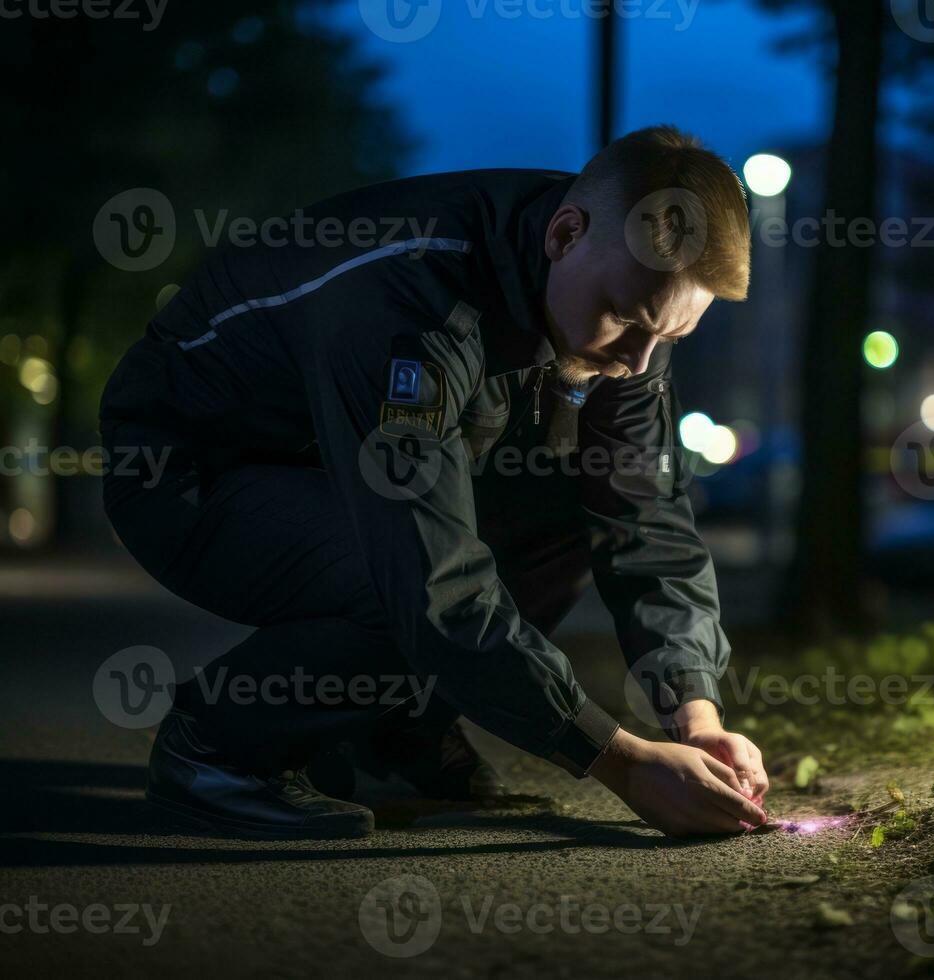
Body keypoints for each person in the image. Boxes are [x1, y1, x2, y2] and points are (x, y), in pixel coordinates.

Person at [99, 125, 770, 840]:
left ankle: (394, 740)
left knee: (573, 501)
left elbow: (645, 516)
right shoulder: (410, 301)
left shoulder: (631, 291)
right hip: (194, 474)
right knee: (400, 574)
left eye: (668, 339)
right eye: (625, 321)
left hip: (335, 464)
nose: (638, 364)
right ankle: (215, 752)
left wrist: (695, 712)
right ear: (565, 234)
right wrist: (621, 762)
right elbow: (430, 578)